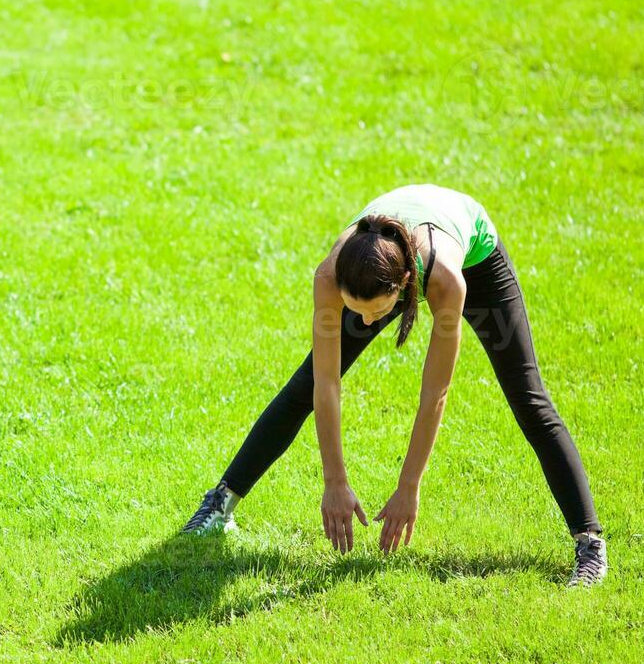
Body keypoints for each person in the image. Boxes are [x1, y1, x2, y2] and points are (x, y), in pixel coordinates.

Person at [181, 184, 606, 586]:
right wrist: (334, 481)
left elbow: (434, 394)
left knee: (528, 398)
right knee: (305, 382)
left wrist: (409, 486)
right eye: (356, 312)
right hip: (380, 263)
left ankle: (590, 544)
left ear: (403, 289)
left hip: (474, 258)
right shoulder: (331, 277)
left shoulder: (445, 280)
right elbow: (326, 385)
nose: (366, 324)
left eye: (375, 314)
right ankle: (219, 503)